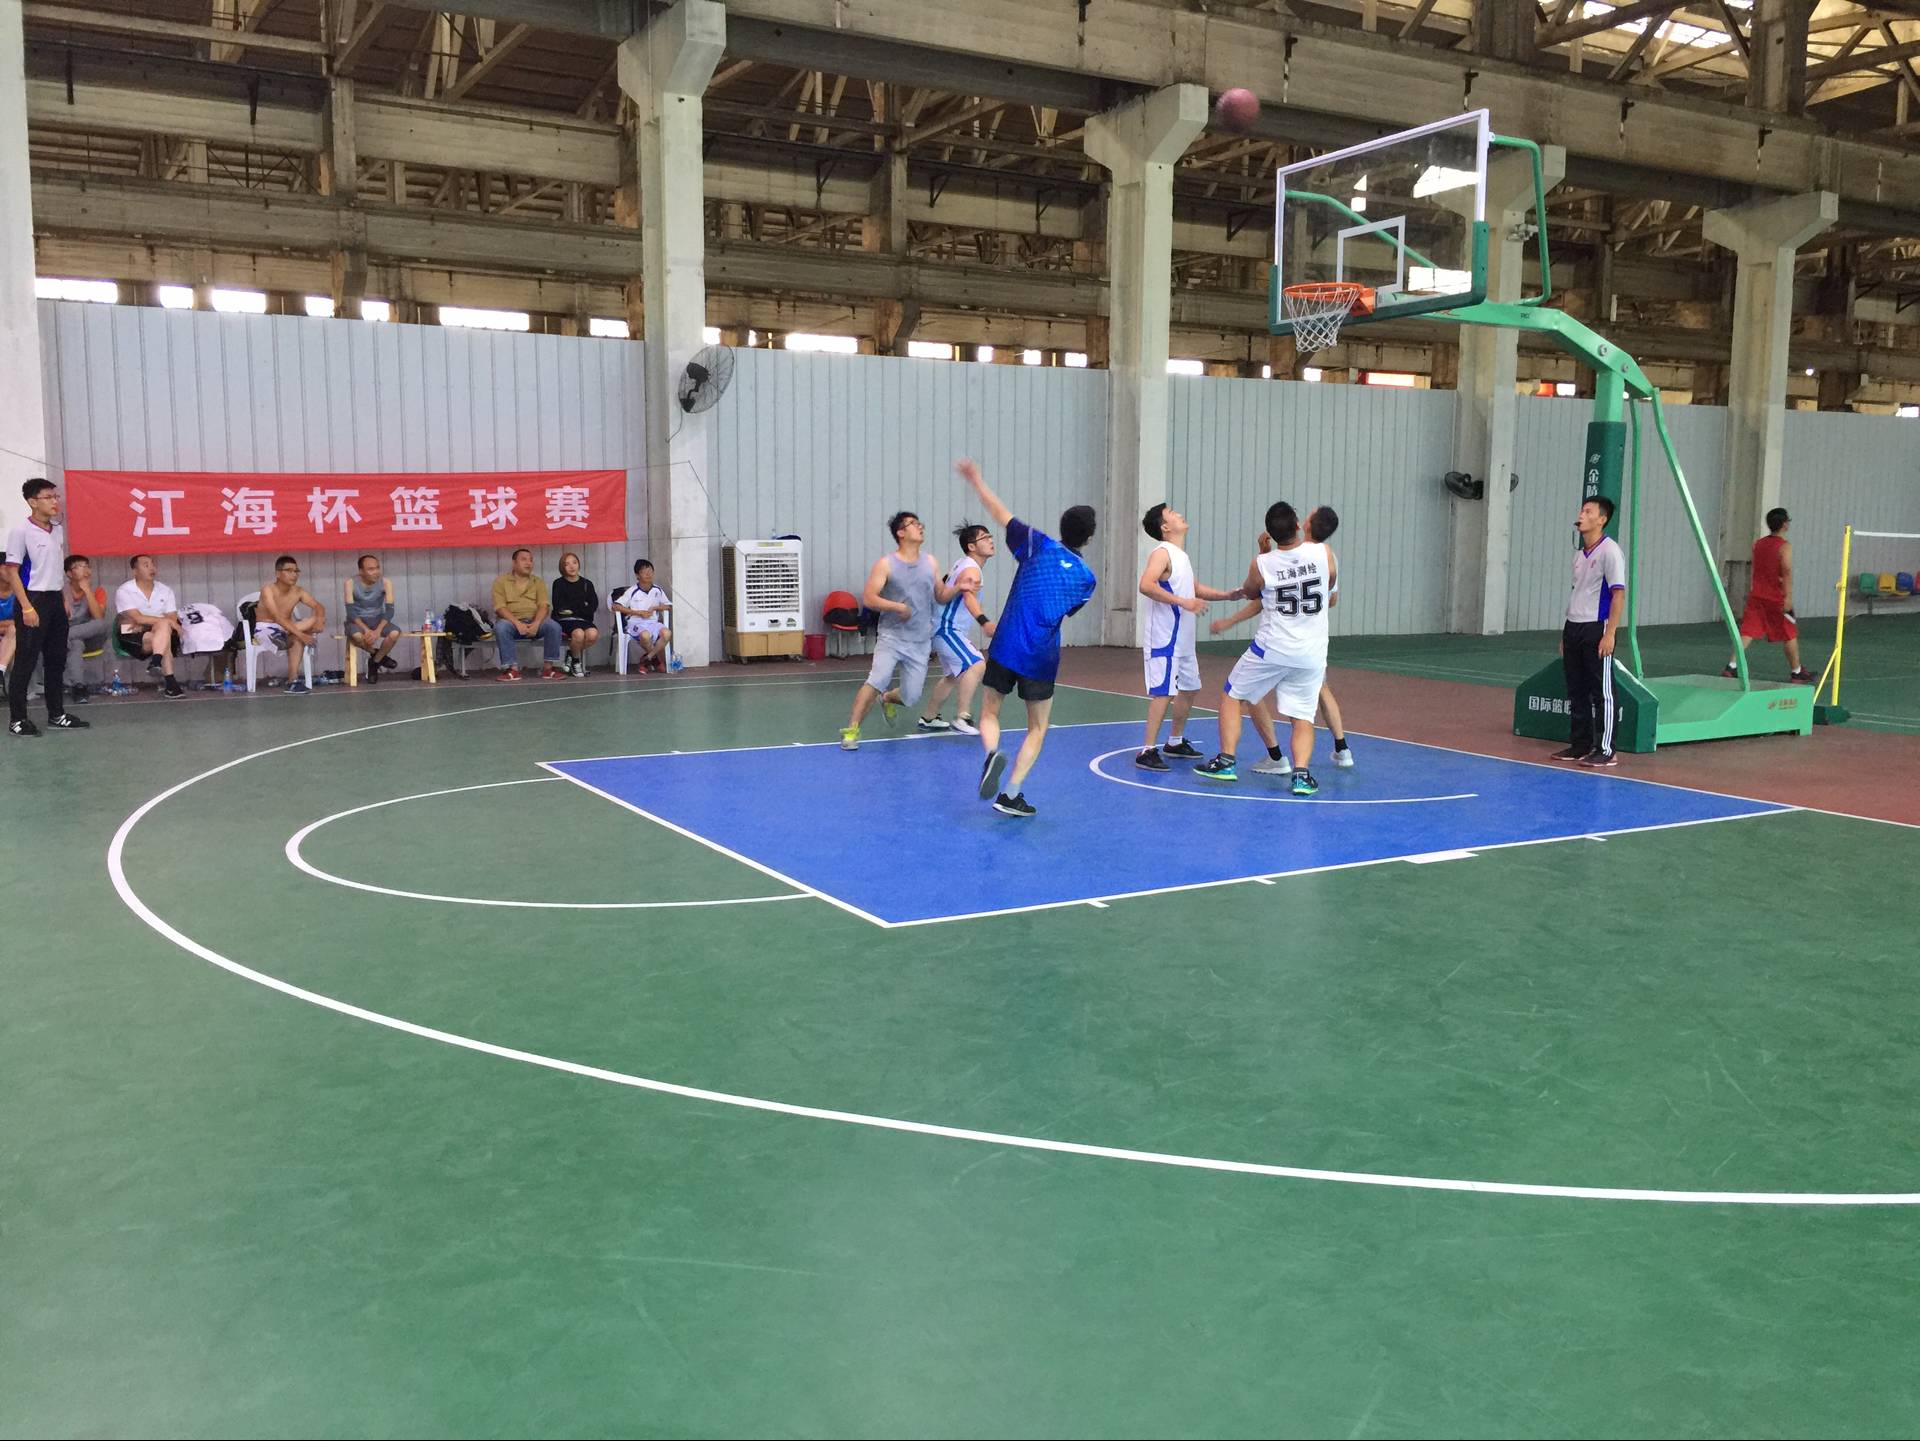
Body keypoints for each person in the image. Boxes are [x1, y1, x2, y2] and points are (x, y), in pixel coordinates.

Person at [957, 459, 1097, 818]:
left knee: (990, 711)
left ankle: (992, 753)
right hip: (1041, 655)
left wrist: (976, 479)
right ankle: (1012, 793)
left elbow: (999, 512)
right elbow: (1066, 611)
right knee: (1037, 727)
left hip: (1006, 644)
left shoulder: (1038, 544)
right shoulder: (1086, 578)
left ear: (1062, 526)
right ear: (1089, 537)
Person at [1196, 502, 1335, 795]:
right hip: (1311, 653)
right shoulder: (1323, 554)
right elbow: (1329, 586)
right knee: (1302, 716)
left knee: (1232, 694)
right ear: (1297, 526)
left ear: (1269, 533)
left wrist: (1263, 554)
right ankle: (1301, 774)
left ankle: (1227, 761)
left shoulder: (1262, 563)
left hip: (1272, 648)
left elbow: (1250, 591)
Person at [840, 510, 966, 750]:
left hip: (920, 641)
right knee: (877, 679)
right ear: (900, 533)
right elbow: (869, 598)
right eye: (913, 524)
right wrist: (897, 607)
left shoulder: (930, 562)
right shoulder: (886, 564)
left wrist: (959, 587)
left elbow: (940, 596)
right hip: (892, 637)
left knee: (910, 697)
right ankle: (852, 731)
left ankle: (887, 698)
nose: (920, 527)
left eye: (920, 523)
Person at [1133, 503, 1239, 770]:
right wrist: (1183, 602)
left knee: (1190, 688)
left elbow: (1194, 588)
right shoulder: (1161, 553)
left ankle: (1175, 741)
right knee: (1163, 693)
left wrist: (1228, 595)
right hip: (1165, 637)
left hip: (1183, 638)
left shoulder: (1181, 556)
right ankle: (1147, 750)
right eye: (1172, 514)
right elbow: (1146, 585)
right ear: (1165, 527)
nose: (1178, 514)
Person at [3, 478, 88, 735]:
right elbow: (13, 572)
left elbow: (54, 568)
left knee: (56, 660)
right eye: (48, 497)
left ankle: (57, 714)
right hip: (33, 599)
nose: (54, 501)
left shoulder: (57, 530)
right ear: (32, 502)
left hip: (54, 600)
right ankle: (18, 720)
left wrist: (63, 597)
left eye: (55, 496)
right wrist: (27, 607)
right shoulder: (21, 532)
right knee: (26, 661)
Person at [1555, 495, 1627, 768]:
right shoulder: (1578, 555)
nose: (1581, 515)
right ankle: (1580, 744)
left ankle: (1606, 749)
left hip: (1597, 626)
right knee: (1576, 688)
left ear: (1602, 519)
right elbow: (1578, 593)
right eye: (1581, 511)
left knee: (1602, 690)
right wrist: (1565, 633)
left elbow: (1618, 595)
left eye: (1588, 512)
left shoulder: (1610, 551)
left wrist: (1610, 634)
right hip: (1573, 626)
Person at [918, 522, 996, 734]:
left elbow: (946, 586)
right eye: (985, 538)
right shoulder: (971, 570)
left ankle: (929, 717)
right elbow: (969, 598)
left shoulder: (963, 563)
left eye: (990, 536)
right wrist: (984, 621)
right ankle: (963, 717)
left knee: (953, 676)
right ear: (971, 546)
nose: (991, 540)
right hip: (947, 628)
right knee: (976, 665)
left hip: (944, 627)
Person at [1723, 507, 1815, 684]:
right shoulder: (1784, 546)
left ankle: (1731, 666)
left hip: (1757, 596)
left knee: (1748, 632)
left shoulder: (1758, 544)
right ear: (1784, 524)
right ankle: (1797, 672)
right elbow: (1786, 571)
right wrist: (1788, 597)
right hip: (1776, 598)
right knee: (1789, 633)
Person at [113, 554, 186, 699]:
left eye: (152, 564)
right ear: (135, 571)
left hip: (155, 633)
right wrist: (163, 622)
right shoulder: (125, 590)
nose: (151, 568)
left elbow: (171, 618)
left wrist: (160, 623)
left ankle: (157, 663)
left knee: (164, 631)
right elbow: (137, 618)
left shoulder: (165, 590)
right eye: (146, 565)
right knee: (164, 630)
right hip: (132, 635)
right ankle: (169, 682)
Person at [255, 555, 326, 696]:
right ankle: (290, 638)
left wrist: (319, 620)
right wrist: (302, 635)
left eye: (296, 571)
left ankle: (292, 681)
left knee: (312, 620)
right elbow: (277, 617)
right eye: (289, 571)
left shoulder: (298, 591)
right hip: (266, 629)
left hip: (287, 628)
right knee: (298, 637)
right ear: (278, 573)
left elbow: (318, 606)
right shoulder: (268, 590)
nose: (294, 575)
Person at [491, 547, 564, 681]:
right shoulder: (501, 582)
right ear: (514, 563)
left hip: (534, 622)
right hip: (512, 624)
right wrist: (517, 624)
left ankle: (548, 668)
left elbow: (544, 606)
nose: (528, 563)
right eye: (524, 560)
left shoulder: (538, 582)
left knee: (554, 627)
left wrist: (536, 623)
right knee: (501, 627)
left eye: (531, 560)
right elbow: (500, 608)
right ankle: (512, 670)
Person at [343, 554, 401, 685]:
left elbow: (390, 610)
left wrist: (378, 630)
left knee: (394, 633)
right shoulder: (350, 583)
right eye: (371, 569)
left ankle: (374, 663)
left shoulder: (386, 583)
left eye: (377, 568)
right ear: (361, 571)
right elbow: (350, 611)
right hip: (357, 620)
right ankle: (377, 654)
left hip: (378, 619)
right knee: (357, 637)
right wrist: (366, 630)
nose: (376, 572)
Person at [61, 555, 108, 704]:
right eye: (80, 566)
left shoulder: (98, 591)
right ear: (69, 573)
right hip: (71, 640)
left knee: (101, 624)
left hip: (91, 637)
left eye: (87, 566)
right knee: (76, 644)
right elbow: (59, 620)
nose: (86, 570)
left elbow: (98, 616)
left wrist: (87, 590)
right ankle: (78, 687)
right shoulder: (60, 591)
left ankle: (65, 637)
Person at [612, 559, 672, 672]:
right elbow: (616, 606)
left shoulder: (658, 590)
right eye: (644, 571)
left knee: (667, 633)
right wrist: (638, 613)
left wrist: (655, 608)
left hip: (653, 623)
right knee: (645, 636)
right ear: (637, 575)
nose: (648, 574)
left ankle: (647, 658)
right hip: (635, 623)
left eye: (650, 571)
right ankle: (656, 660)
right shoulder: (632, 591)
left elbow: (668, 606)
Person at [551, 552, 601, 678]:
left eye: (574, 562)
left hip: (583, 619)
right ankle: (576, 663)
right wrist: (580, 607)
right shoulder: (558, 583)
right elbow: (559, 607)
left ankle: (571, 654)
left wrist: (576, 609)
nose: (572, 566)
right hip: (565, 619)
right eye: (567, 564)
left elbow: (593, 604)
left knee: (592, 634)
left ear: (578, 564)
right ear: (562, 567)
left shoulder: (587, 584)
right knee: (578, 634)